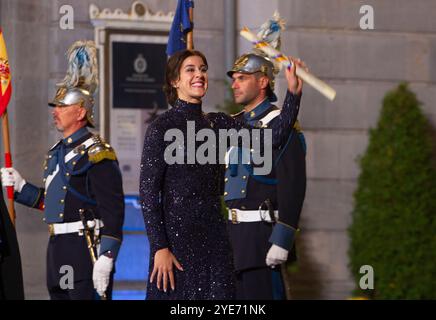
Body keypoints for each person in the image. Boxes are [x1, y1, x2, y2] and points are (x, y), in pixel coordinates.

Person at [139, 48, 304, 300]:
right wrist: (159, 246)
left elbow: (272, 138)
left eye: (203, 69)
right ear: (175, 81)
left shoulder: (218, 123)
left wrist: (293, 93)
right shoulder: (162, 127)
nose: (199, 75)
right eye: (190, 70)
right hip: (176, 243)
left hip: (217, 241)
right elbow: (148, 194)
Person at [0, 41, 124, 300]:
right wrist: (23, 188)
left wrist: (107, 256)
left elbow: (113, 210)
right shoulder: (57, 151)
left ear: (80, 112)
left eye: (61, 107)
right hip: (56, 251)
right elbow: (55, 203)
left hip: (84, 251)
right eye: (55, 107)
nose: (55, 112)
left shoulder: (97, 152)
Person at [224, 51, 307, 300]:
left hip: (263, 240)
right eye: (234, 78)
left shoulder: (281, 124)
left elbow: (293, 183)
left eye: (241, 78)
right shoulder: (236, 124)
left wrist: (283, 238)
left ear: (262, 82)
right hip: (234, 242)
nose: (234, 84)